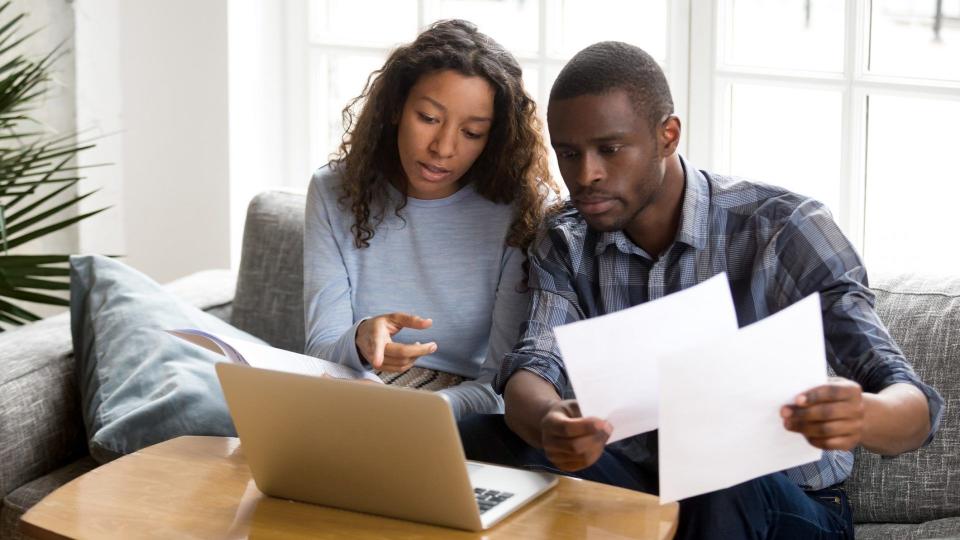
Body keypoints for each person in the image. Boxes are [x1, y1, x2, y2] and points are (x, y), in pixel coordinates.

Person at [458, 41, 943, 538]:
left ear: (668, 136)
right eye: (568, 154)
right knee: (476, 438)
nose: (586, 175)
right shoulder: (566, 238)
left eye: (610, 149)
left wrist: (866, 415)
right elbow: (532, 366)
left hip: (784, 502)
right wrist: (551, 423)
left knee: (717, 476)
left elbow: (915, 406)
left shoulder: (784, 229)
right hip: (644, 488)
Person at [303, 19, 557, 419]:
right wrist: (360, 339)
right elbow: (320, 352)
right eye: (428, 118)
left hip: (464, 411)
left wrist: (425, 411)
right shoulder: (333, 191)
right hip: (354, 392)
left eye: (472, 133)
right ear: (395, 109)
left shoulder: (521, 209)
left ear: (494, 139)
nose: (443, 148)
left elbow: (502, 383)